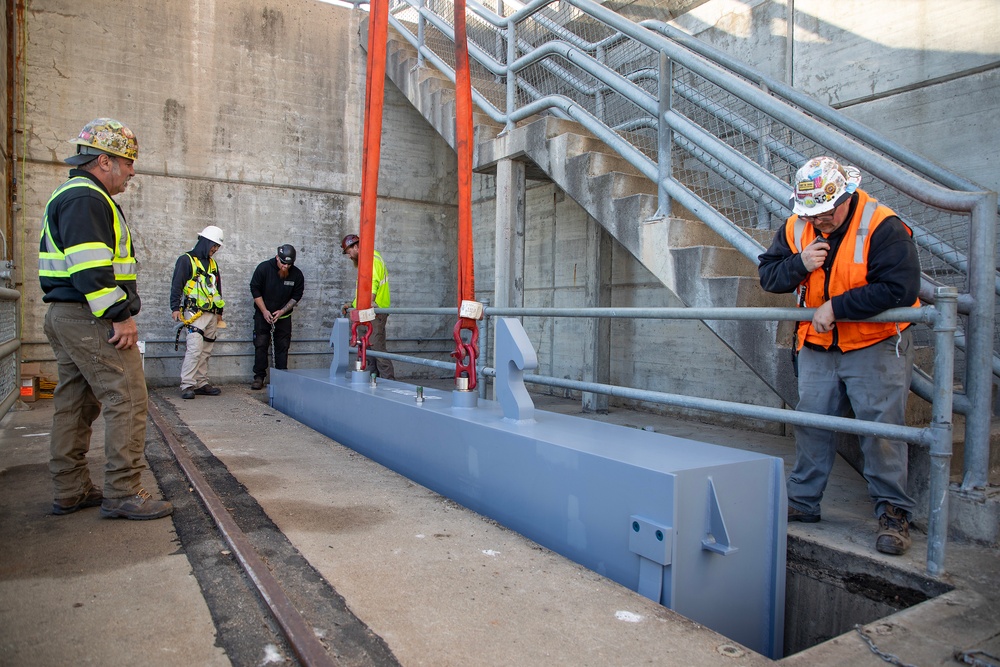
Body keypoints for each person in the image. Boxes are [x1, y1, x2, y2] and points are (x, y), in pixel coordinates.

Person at [758, 156, 921, 556]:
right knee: (811, 423)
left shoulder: (883, 225)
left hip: (873, 343)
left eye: (827, 212)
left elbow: (899, 289)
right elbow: (768, 275)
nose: (821, 220)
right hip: (817, 344)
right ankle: (803, 501)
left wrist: (837, 308)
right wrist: (800, 263)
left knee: (882, 430)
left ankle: (893, 512)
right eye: (813, 213)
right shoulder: (799, 227)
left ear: (846, 197)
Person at [39, 118, 172, 520]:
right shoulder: (87, 199)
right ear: (103, 161)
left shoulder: (73, 194)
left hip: (68, 315)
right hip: (90, 316)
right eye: (127, 162)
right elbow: (91, 269)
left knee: (76, 402)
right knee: (128, 396)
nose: (132, 171)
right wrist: (120, 316)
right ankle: (123, 490)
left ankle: (71, 488)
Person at [170, 226, 226, 400]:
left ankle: (201, 383)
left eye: (217, 246)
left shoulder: (212, 264)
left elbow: (217, 288)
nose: (215, 249)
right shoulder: (186, 260)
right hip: (194, 313)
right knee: (194, 349)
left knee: (206, 350)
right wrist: (175, 308)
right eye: (214, 245)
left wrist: (219, 312)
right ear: (205, 242)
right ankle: (187, 384)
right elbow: (177, 284)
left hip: (210, 313)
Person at [249, 244, 305, 390]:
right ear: (277, 258)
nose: (285, 267)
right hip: (263, 315)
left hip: (284, 317)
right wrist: (264, 311)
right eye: (283, 263)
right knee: (261, 345)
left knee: (283, 346)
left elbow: (296, 296)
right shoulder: (264, 269)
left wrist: (282, 311)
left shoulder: (297, 274)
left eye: (289, 264)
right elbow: (255, 289)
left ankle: (281, 377)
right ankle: (259, 377)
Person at [340, 233, 395, 379]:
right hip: (369, 310)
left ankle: (389, 384)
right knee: (367, 349)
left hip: (375, 311)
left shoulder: (372, 260)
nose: (349, 256)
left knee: (377, 350)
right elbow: (363, 290)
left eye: (349, 252)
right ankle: (372, 382)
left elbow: (373, 285)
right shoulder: (366, 262)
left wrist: (369, 304)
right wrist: (352, 304)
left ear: (356, 246)